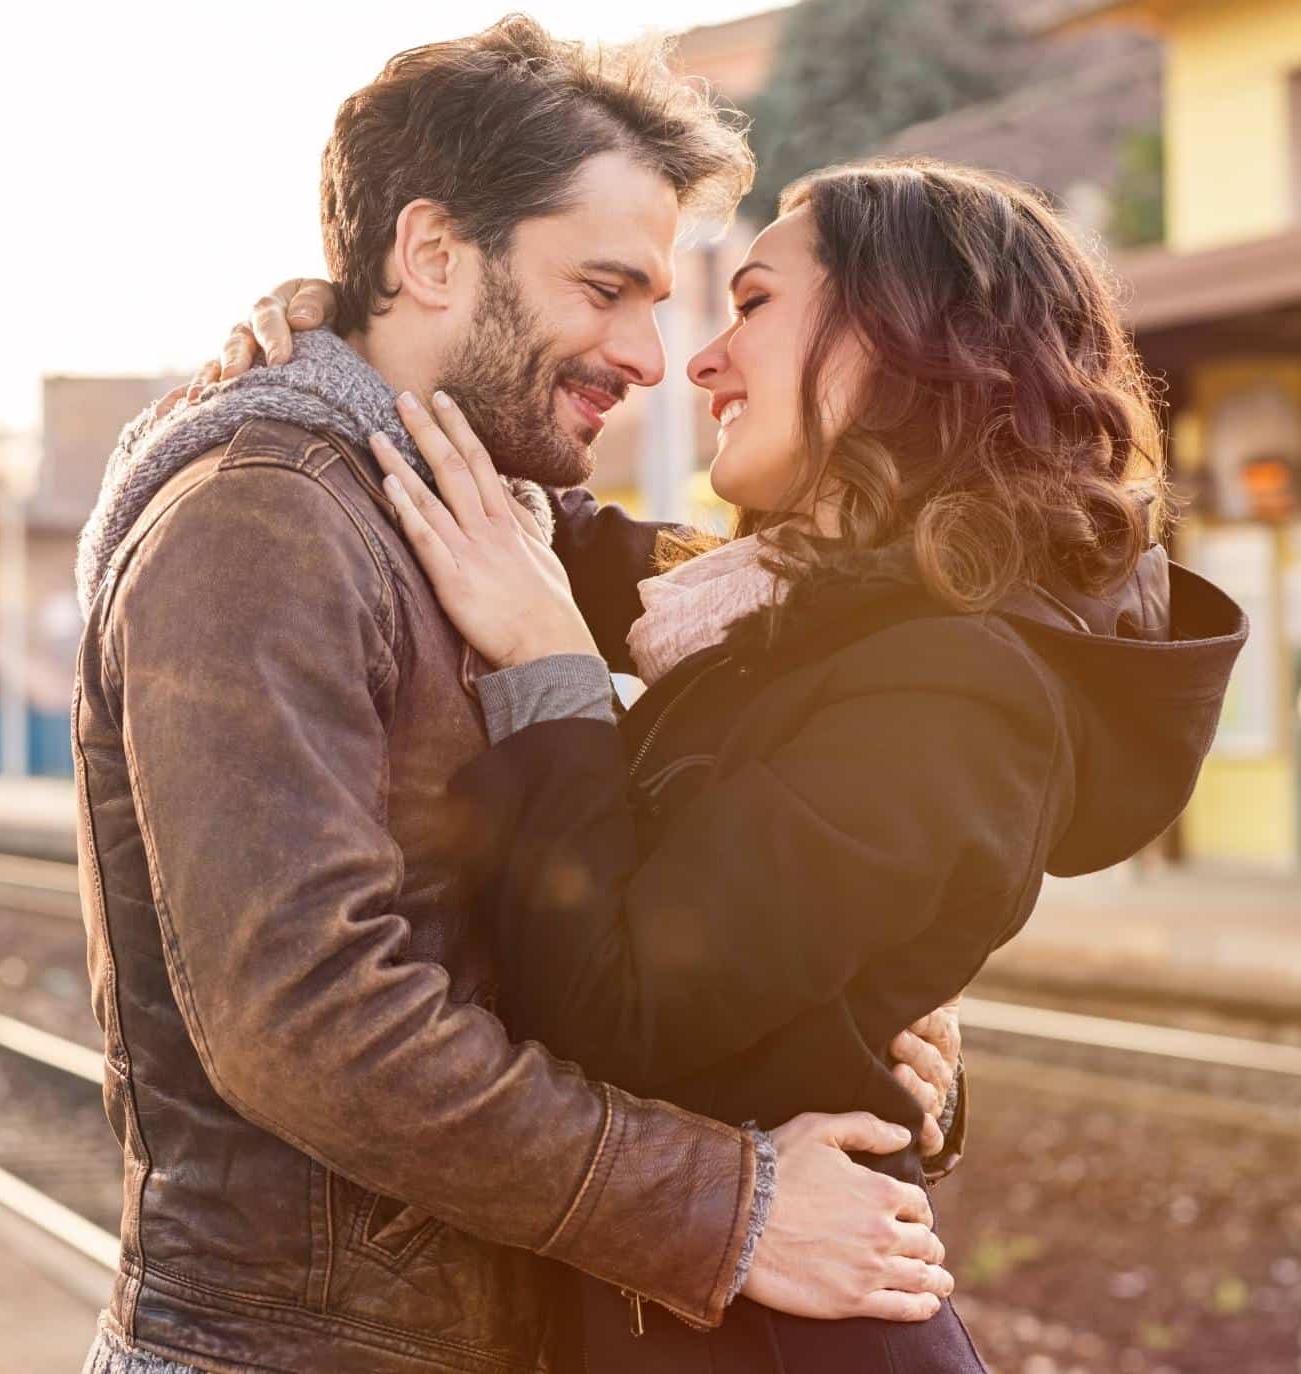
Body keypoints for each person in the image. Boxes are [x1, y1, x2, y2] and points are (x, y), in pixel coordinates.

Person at [73, 21, 961, 1374]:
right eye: (605, 288)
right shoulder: (260, 526)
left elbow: (621, 898)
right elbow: (305, 1019)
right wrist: (731, 1207)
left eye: (659, 300)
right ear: (434, 254)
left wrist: (855, 1000)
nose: (650, 354)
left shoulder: (481, 520)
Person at [263, 159, 1241, 1370]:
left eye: (753, 305)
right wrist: (359, 352)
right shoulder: (768, 612)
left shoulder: (954, 689)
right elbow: (516, 503)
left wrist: (551, 675)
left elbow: (621, 1010)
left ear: (900, 337)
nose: (698, 361)